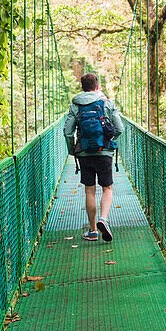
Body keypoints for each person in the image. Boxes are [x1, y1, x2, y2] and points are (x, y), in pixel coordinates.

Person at [63, 73, 125, 242]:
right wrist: (108, 141)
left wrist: (73, 150)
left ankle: (92, 231)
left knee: (89, 190)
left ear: (82, 88)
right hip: (104, 152)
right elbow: (120, 129)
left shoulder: (75, 106)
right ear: (98, 87)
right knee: (107, 189)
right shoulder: (106, 103)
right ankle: (103, 219)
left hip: (84, 153)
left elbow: (68, 132)